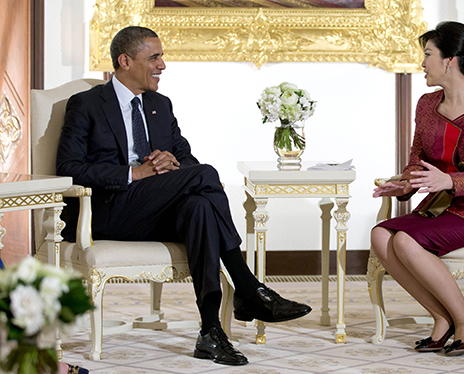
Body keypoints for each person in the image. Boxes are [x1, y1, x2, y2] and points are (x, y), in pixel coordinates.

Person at [56, 26, 311, 366]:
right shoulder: (87, 104)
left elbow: (186, 160)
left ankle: (210, 332)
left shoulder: (160, 105)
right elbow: (68, 167)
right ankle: (247, 287)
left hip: (155, 211)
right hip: (109, 211)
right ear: (125, 61)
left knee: (200, 207)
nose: (163, 65)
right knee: (206, 175)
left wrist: (171, 162)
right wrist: (134, 172)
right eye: (154, 57)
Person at [370, 21, 464, 356]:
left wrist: (449, 181)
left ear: (450, 60)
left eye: (428, 55)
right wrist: (402, 185)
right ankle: (441, 318)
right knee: (379, 236)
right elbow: (417, 162)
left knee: (405, 240)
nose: (422, 63)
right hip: (441, 207)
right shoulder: (425, 105)